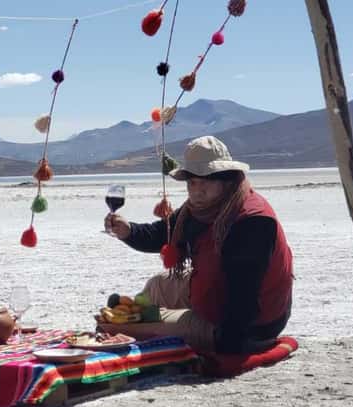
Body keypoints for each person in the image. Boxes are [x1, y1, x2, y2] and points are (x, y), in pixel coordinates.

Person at [101, 136, 293, 354]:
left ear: (226, 180)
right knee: (157, 285)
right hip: (216, 290)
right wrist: (128, 231)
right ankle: (136, 316)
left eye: (206, 182)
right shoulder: (201, 208)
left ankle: (134, 327)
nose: (197, 191)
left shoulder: (251, 222)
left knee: (120, 329)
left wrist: (225, 348)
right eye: (192, 183)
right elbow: (162, 234)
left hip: (251, 325)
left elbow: (243, 298)